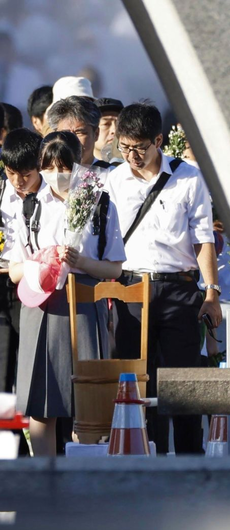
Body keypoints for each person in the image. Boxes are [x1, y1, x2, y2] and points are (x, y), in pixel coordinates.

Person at [107, 102, 220, 455]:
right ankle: (142, 452)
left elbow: (203, 240)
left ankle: (190, 458)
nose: (132, 156)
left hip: (179, 288)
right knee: (137, 378)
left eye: (140, 148)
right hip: (131, 287)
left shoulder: (189, 178)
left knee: (183, 379)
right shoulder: (115, 179)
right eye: (124, 147)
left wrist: (211, 292)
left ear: (158, 140)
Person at [9, 131, 125, 456]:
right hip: (42, 306)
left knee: (87, 405)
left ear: (78, 165)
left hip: (86, 305)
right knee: (42, 406)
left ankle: (85, 484)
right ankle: (45, 479)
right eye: (49, 166)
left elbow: (115, 269)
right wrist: (41, 261)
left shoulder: (100, 204)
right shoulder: (30, 207)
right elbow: (14, 270)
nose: (56, 175)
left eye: (64, 167)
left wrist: (82, 262)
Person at [0, 128, 43, 391]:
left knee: (29, 367)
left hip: (34, 286)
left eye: (26, 175)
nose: (18, 181)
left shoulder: (49, 197)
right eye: (12, 173)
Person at [47, 96, 110, 169]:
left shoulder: (112, 175)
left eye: (80, 133)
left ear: (96, 134)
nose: (72, 140)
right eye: (65, 134)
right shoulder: (44, 178)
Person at [95, 97, 124, 164]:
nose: (114, 130)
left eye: (118, 124)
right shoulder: (79, 168)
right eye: (106, 124)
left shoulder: (133, 168)